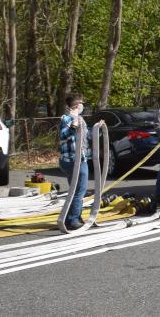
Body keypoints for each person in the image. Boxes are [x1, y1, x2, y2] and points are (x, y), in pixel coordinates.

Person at [58, 93, 104, 230]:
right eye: (81, 103)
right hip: (72, 160)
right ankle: (72, 220)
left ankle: (71, 217)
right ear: (77, 105)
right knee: (79, 190)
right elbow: (63, 135)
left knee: (76, 190)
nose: (83, 105)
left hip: (81, 158)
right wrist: (73, 126)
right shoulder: (66, 119)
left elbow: (87, 136)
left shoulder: (81, 119)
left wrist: (99, 129)